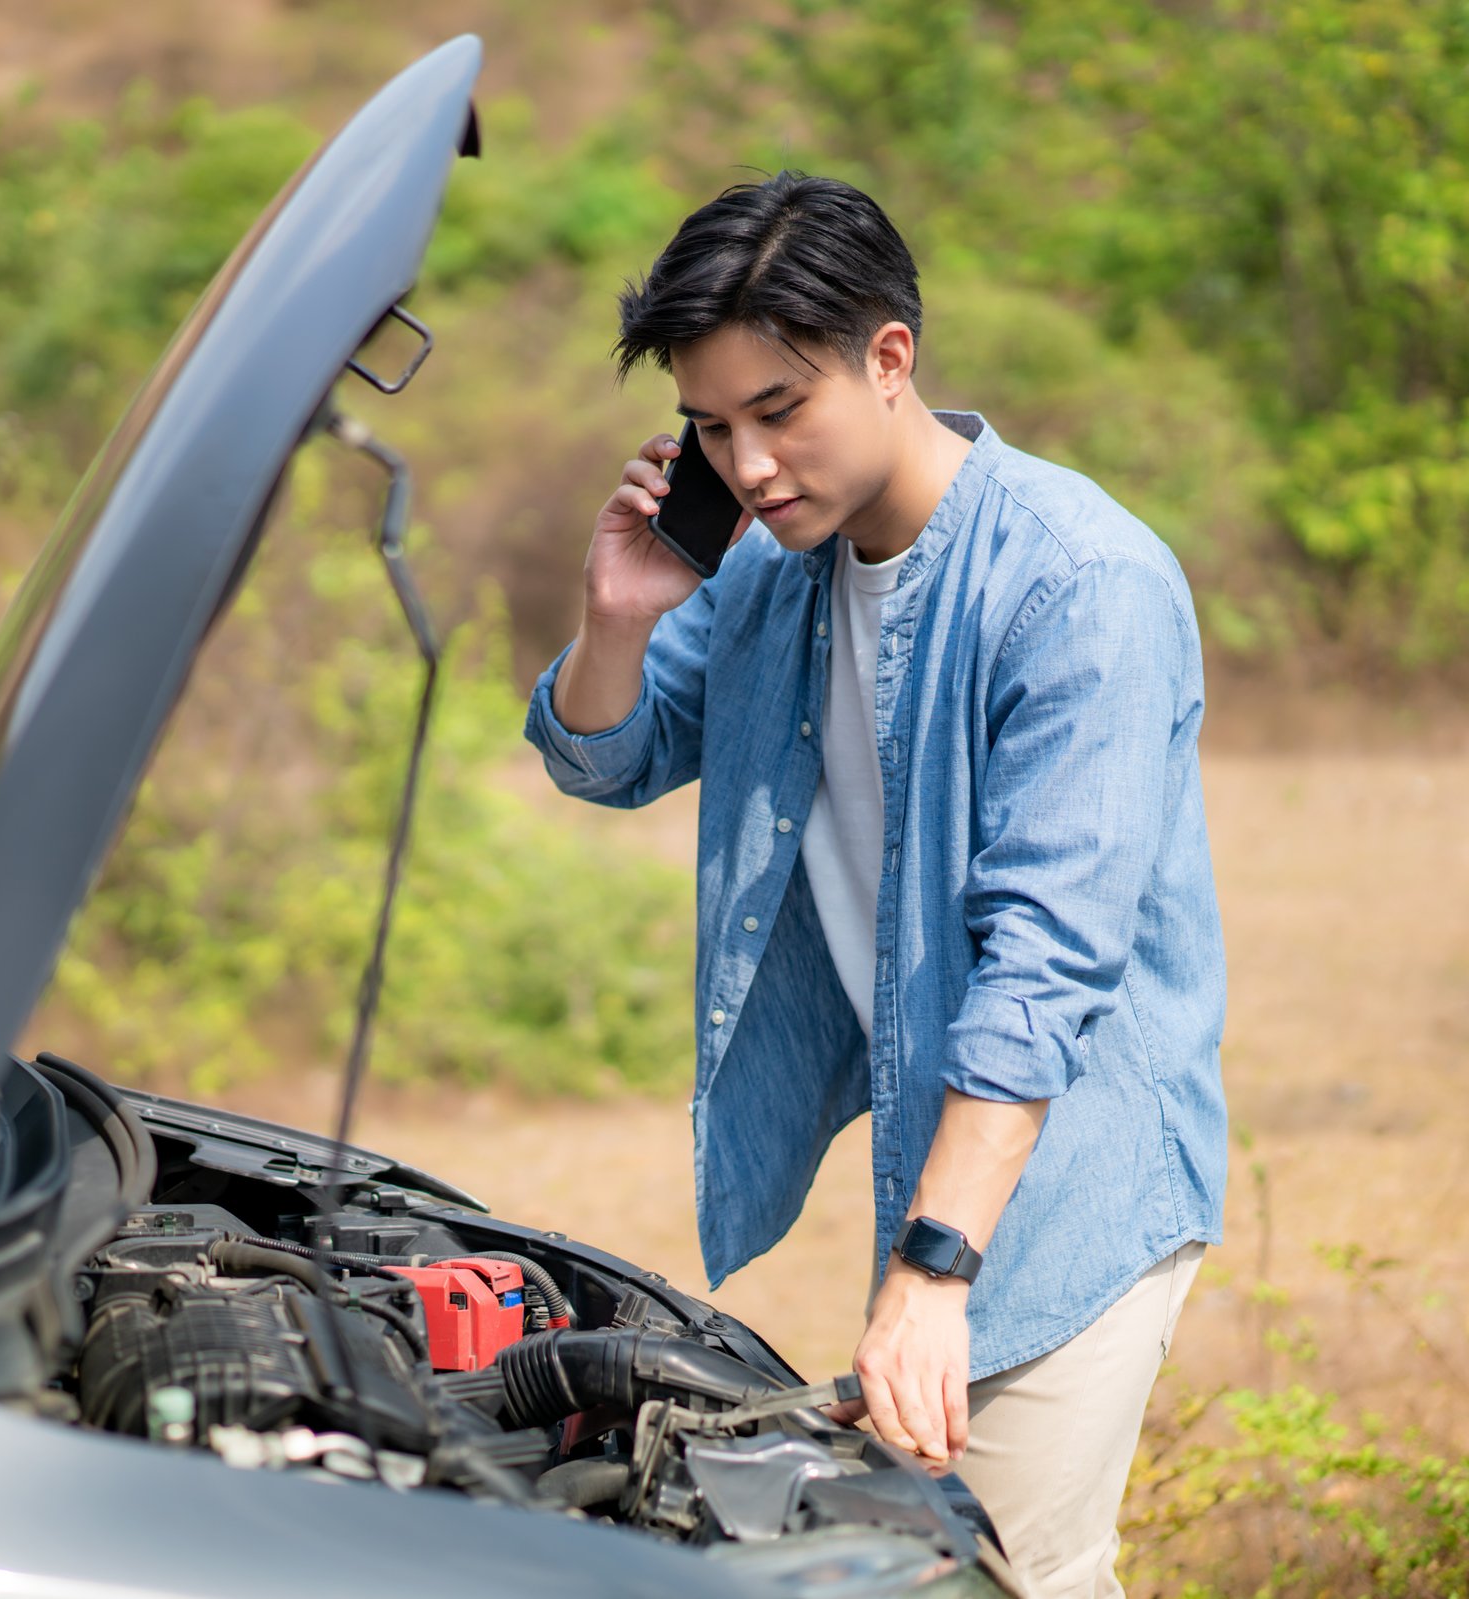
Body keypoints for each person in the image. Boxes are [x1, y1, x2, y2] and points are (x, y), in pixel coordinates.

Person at [523, 170, 1227, 1599]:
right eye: (713, 427)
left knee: (998, 1576)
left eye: (780, 411)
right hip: (937, 1163)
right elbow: (605, 759)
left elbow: (1047, 965)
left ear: (889, 358)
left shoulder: (1079, 582)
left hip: (1066, 1170)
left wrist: (933, 1273)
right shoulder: (773, 569)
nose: (751, 465)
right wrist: (617, 619)